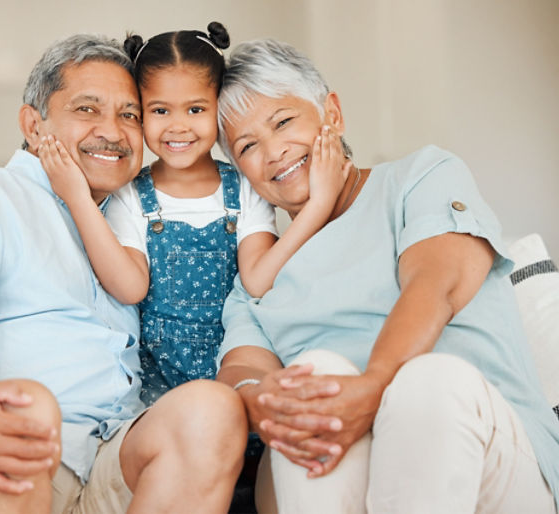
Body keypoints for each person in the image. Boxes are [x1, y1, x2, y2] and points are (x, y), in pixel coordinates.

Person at [0, 34, 247, 514]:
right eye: (87, 109)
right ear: (32, 125)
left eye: (130, 115)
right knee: (24, 410)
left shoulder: (126, 223)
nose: (114, 132)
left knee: (212, 409)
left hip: (104, 454)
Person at [214, 38, 559, 513]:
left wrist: (374, 386)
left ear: (331, 113)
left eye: (284, 122)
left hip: (491, 457)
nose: (273, 152)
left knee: (427, 381)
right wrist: (266, 400)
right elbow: (242, 372)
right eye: (248, 146)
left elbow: (435, 285)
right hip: (341, 475)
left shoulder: (421, 176)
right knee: (316, 378)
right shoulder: (255, 280)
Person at [38, 22, 347, 407]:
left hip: (236, 372)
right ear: (141, 113)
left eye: (196, 109)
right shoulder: (131, 195)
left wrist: (318, 206)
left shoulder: (244, 190)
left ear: (218, 107)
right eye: (160, 110)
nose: (178, 126)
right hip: (158, 388)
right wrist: (79, 198)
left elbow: (258, 279)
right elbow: (130, 286)